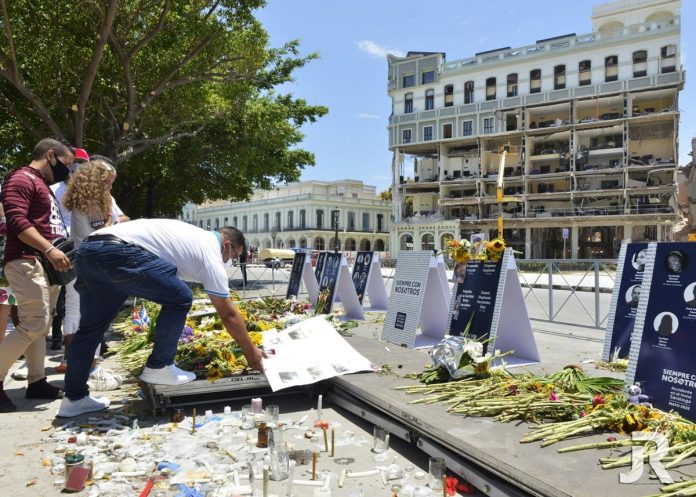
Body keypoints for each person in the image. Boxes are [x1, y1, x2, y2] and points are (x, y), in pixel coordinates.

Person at [57, 220, 265, 417]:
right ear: (226, 245)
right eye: (232, 256)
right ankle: (159, 367)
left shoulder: (192, 235)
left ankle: (74, 399)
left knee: (91, 329)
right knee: (180, 298)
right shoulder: (210, 252)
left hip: (89, 250)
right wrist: (250, 351)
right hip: (118, 251)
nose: (230, 261)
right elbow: (227, 313)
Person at [0, 138, 74, 413]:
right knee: (34, 324)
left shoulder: (42, 184)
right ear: (51, 156)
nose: (67, 171)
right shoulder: (20, 178)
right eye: (66, 164)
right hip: (26, 260)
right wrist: (50, 249)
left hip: (45, 265)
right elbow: (17, 222)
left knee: (40, 326)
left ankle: (37, 381)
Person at [61, 159, 124, 390]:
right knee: (81, 318)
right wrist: (109, 223)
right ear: (96, 181)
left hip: (97, 266)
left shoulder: (104, 200)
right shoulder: (82, 204)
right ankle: (83, 369)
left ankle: (90, 367)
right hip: (84, 265)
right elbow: (90, 237)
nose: (110, 187)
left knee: (90, 319)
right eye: (107, 183)